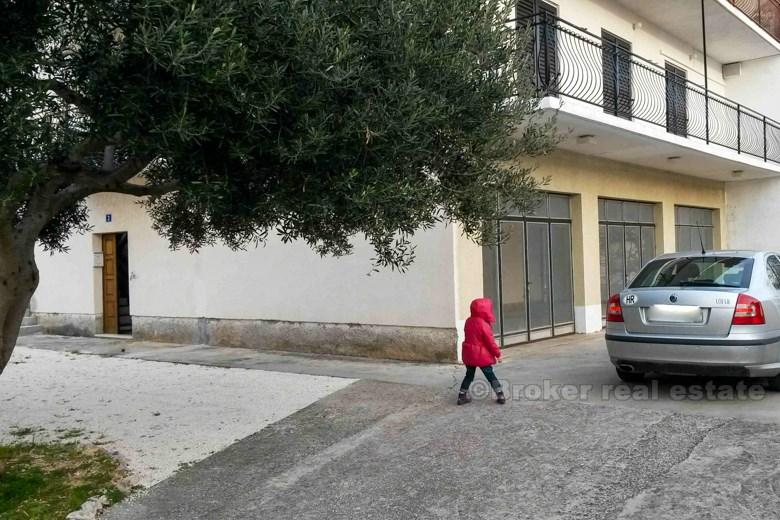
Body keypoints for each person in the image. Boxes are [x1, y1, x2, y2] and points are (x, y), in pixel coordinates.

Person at [458, 298, 506, 405]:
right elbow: (490, 342)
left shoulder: (468, 321)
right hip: (481, 355)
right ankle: (500, 394)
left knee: (469, 375)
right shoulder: (483, 324)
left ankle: (461, 395)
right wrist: (498, 354)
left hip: (469, 353)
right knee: (490, 375)